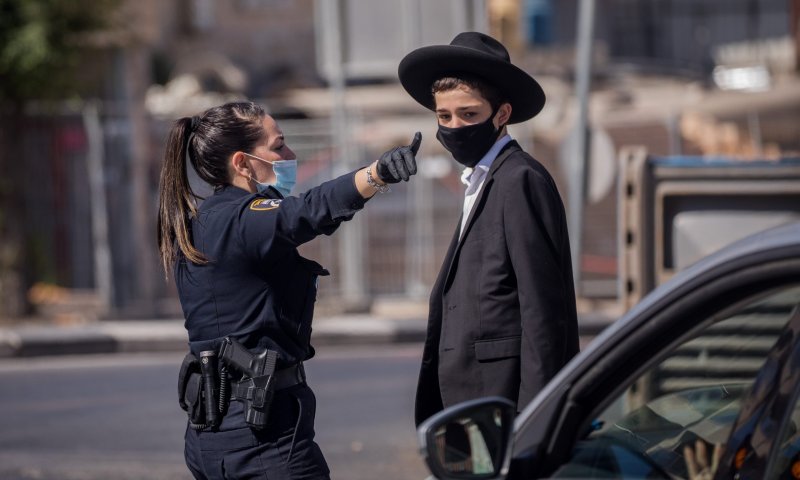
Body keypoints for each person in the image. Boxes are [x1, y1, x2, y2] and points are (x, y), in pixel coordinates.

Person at [157, 101, 420, 479]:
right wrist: (376, 174)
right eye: (278, 146)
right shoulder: (241, 221)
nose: (290, 155)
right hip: (263, 442)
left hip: (214, 438)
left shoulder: (205, 221)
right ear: (242, 163)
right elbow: (305, 212)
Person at [398, 32, 579, 426]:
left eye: (468, 114)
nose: (453, 127)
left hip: (503, 404)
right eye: (443, 117)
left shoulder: (519, 179)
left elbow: (544, 310)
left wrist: (535, 419)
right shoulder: (480, 179)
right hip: (468, 402)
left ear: (501, 114)